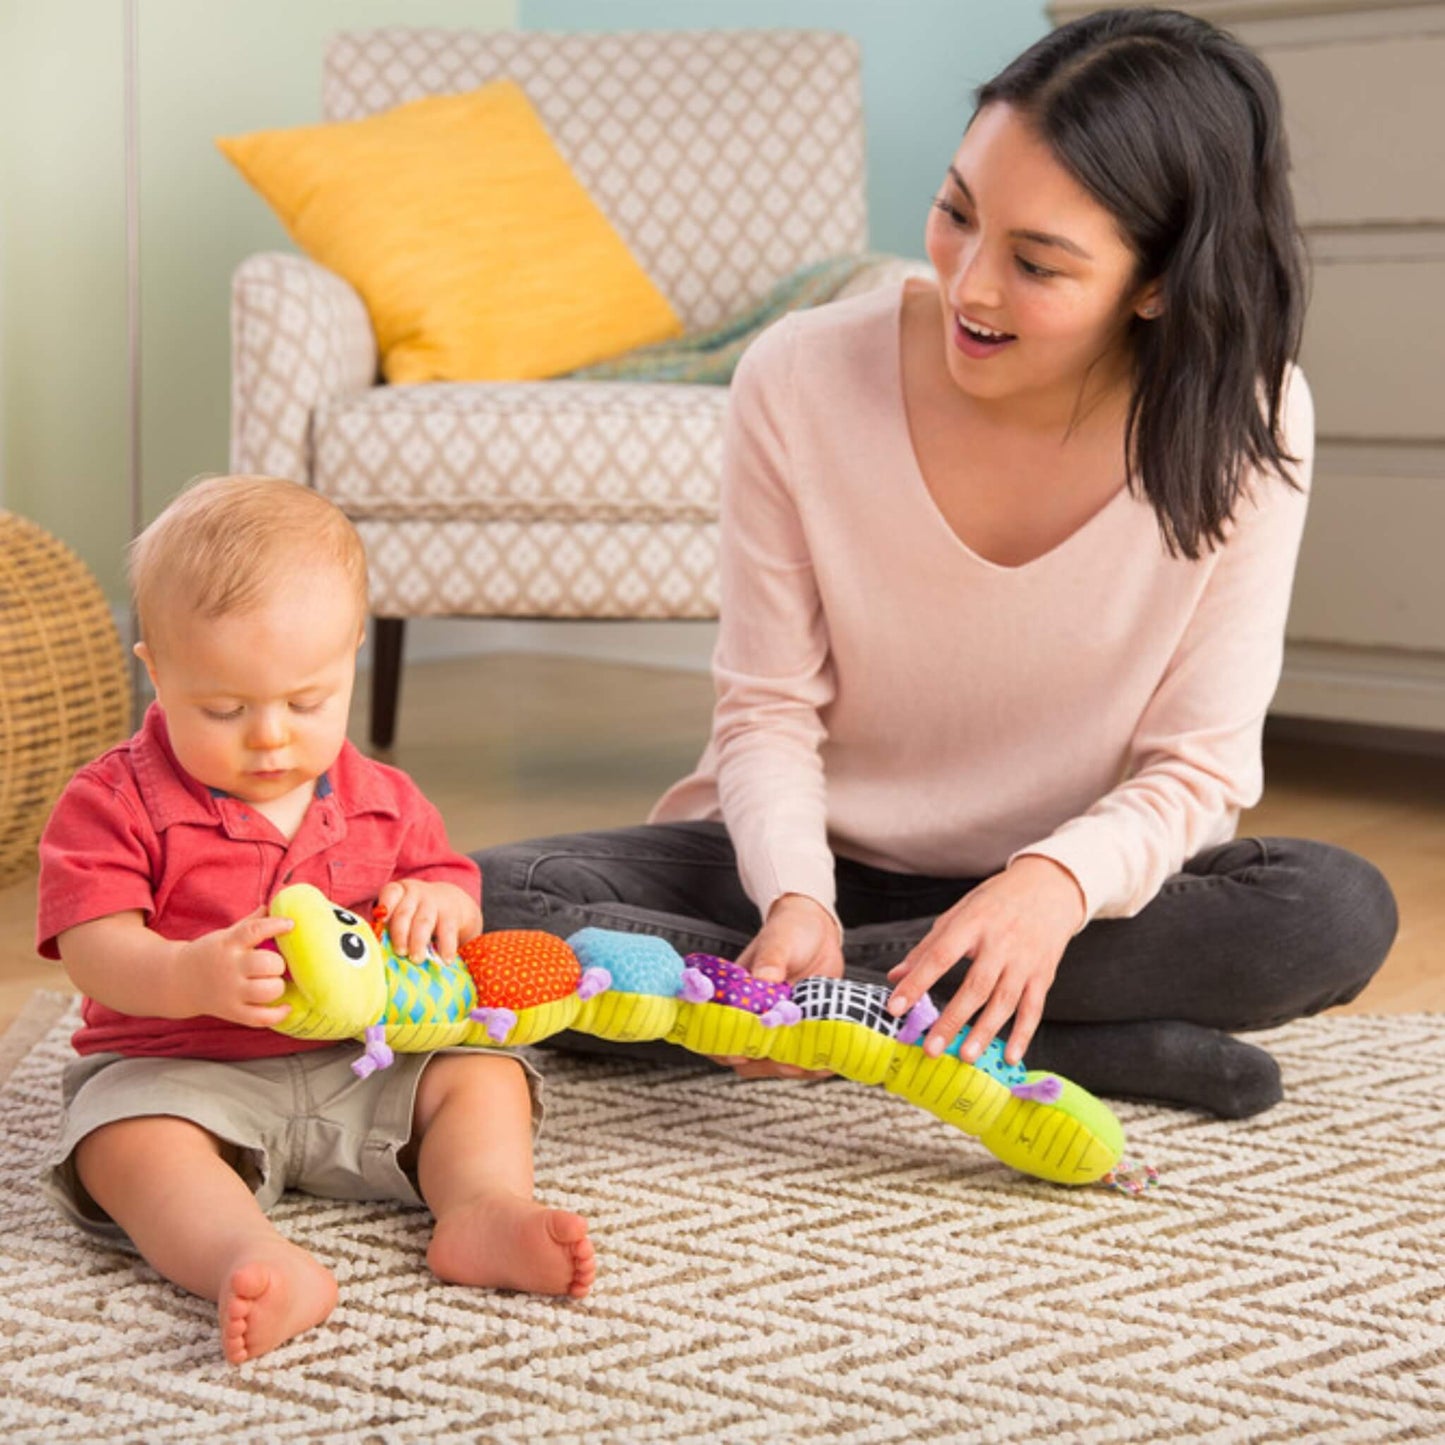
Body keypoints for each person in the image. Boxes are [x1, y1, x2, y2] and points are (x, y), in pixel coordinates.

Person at [475, 8, 1397, 1120]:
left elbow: (1197, 769)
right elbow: (765, 712)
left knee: (1330, 909)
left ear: (1152, 284)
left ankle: (772, 1013)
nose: (968, 285)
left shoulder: (1247, 420)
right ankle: (1068, 1038)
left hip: (1067, 891)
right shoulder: (800, 377)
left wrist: (1046, 887)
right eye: (956, 213)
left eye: (1037, 263)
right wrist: (798, 904)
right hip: (800, 859)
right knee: (493, 900)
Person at [36, 476, 594, 1367]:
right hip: (185, 1069)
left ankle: (482, 1207)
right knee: (123, 1142)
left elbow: (450, 883)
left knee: (483, 1071)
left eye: (306, 702)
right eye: (223, 709)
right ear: (157, 670)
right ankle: (242, 1254)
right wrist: (191, 975)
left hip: (364, 1061)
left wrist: (438, 904)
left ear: (350, 660)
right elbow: (93, 947)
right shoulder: (112, 801)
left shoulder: (383, 796)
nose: (270, 738)